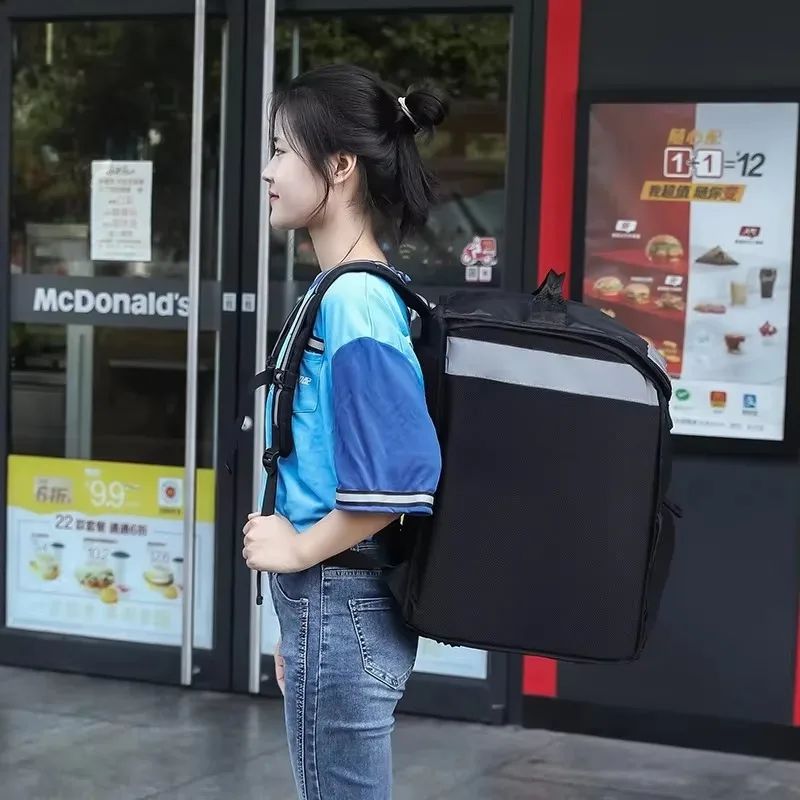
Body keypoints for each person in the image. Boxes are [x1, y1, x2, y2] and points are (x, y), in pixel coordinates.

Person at [240, 64, 447, 799]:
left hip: (338, 594)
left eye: (280, 150)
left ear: (339, 166)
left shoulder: (355, 300)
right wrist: (296, 618)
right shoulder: (343, 290)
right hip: (329, 601)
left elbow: (395, 479)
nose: (268, 171)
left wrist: (298, 551)